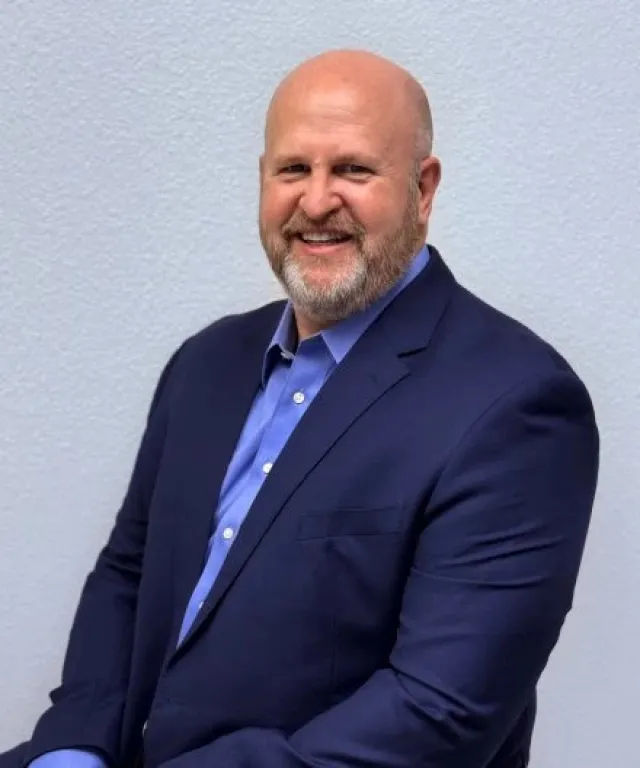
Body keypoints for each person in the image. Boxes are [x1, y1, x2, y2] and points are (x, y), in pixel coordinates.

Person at [1, 49, 599, 768]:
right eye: (293, 170)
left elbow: (439, 714)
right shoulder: (206, 363)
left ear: (424, 187)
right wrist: (72, 750)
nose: (317, 202)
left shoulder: (519, 405)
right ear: (263, 181)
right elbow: (128, 576)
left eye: (353, 169)